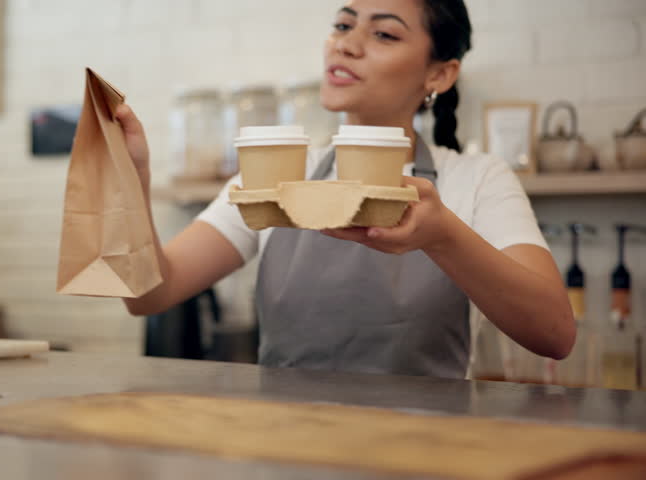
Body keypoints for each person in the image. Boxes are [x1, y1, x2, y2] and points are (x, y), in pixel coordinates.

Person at [118, 0, 575, 378]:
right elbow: (149, 295)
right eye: (342, 25)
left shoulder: (477, 179)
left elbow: (555, 334)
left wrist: (443, 236)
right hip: (289, 449)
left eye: (384, 34)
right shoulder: (274, 175)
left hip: (429, 451)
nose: (347, 45)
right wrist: (132, 175)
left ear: (439, 75)